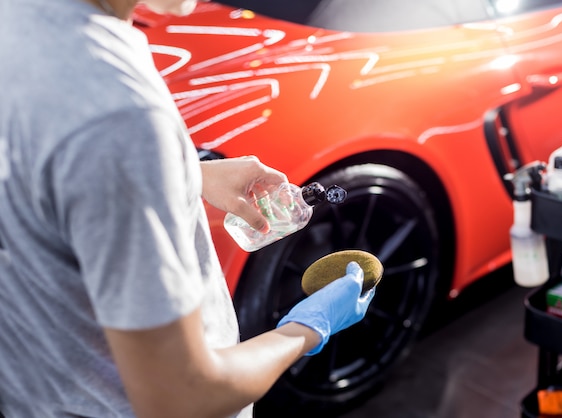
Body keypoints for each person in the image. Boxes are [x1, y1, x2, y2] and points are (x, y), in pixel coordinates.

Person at [0, 0, 375, 417]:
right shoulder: (118, 110)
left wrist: (183, 173)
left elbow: (37, 173)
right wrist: (307, 328)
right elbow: (181, 397)